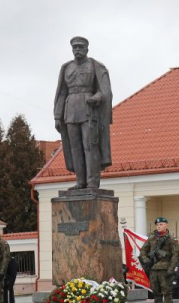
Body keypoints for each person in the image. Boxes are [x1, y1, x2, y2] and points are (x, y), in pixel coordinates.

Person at [54, 36, 112, 190]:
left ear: (87, 49)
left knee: (90, 145)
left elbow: (105, 91)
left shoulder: (95, 66)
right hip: (70, 110)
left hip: (88, 110)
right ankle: (80, 181)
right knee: (75, 148)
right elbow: (61, 93)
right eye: (75, 47)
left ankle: (92, 181)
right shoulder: (66, 68)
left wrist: (96, 97)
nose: (77, 50)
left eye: (80, 47)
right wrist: (58, 116)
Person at [140, 217, 179, 303]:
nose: (159, 226)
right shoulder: (152, 238)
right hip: (153, 269)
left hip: (165, 269)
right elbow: (143, 250)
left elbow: (175, 255)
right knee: (156, 292)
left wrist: (171, 269)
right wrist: (146, 260)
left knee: (167, 292)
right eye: (157, 224)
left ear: (166, 225)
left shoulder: (171, 239)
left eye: (161, 224)